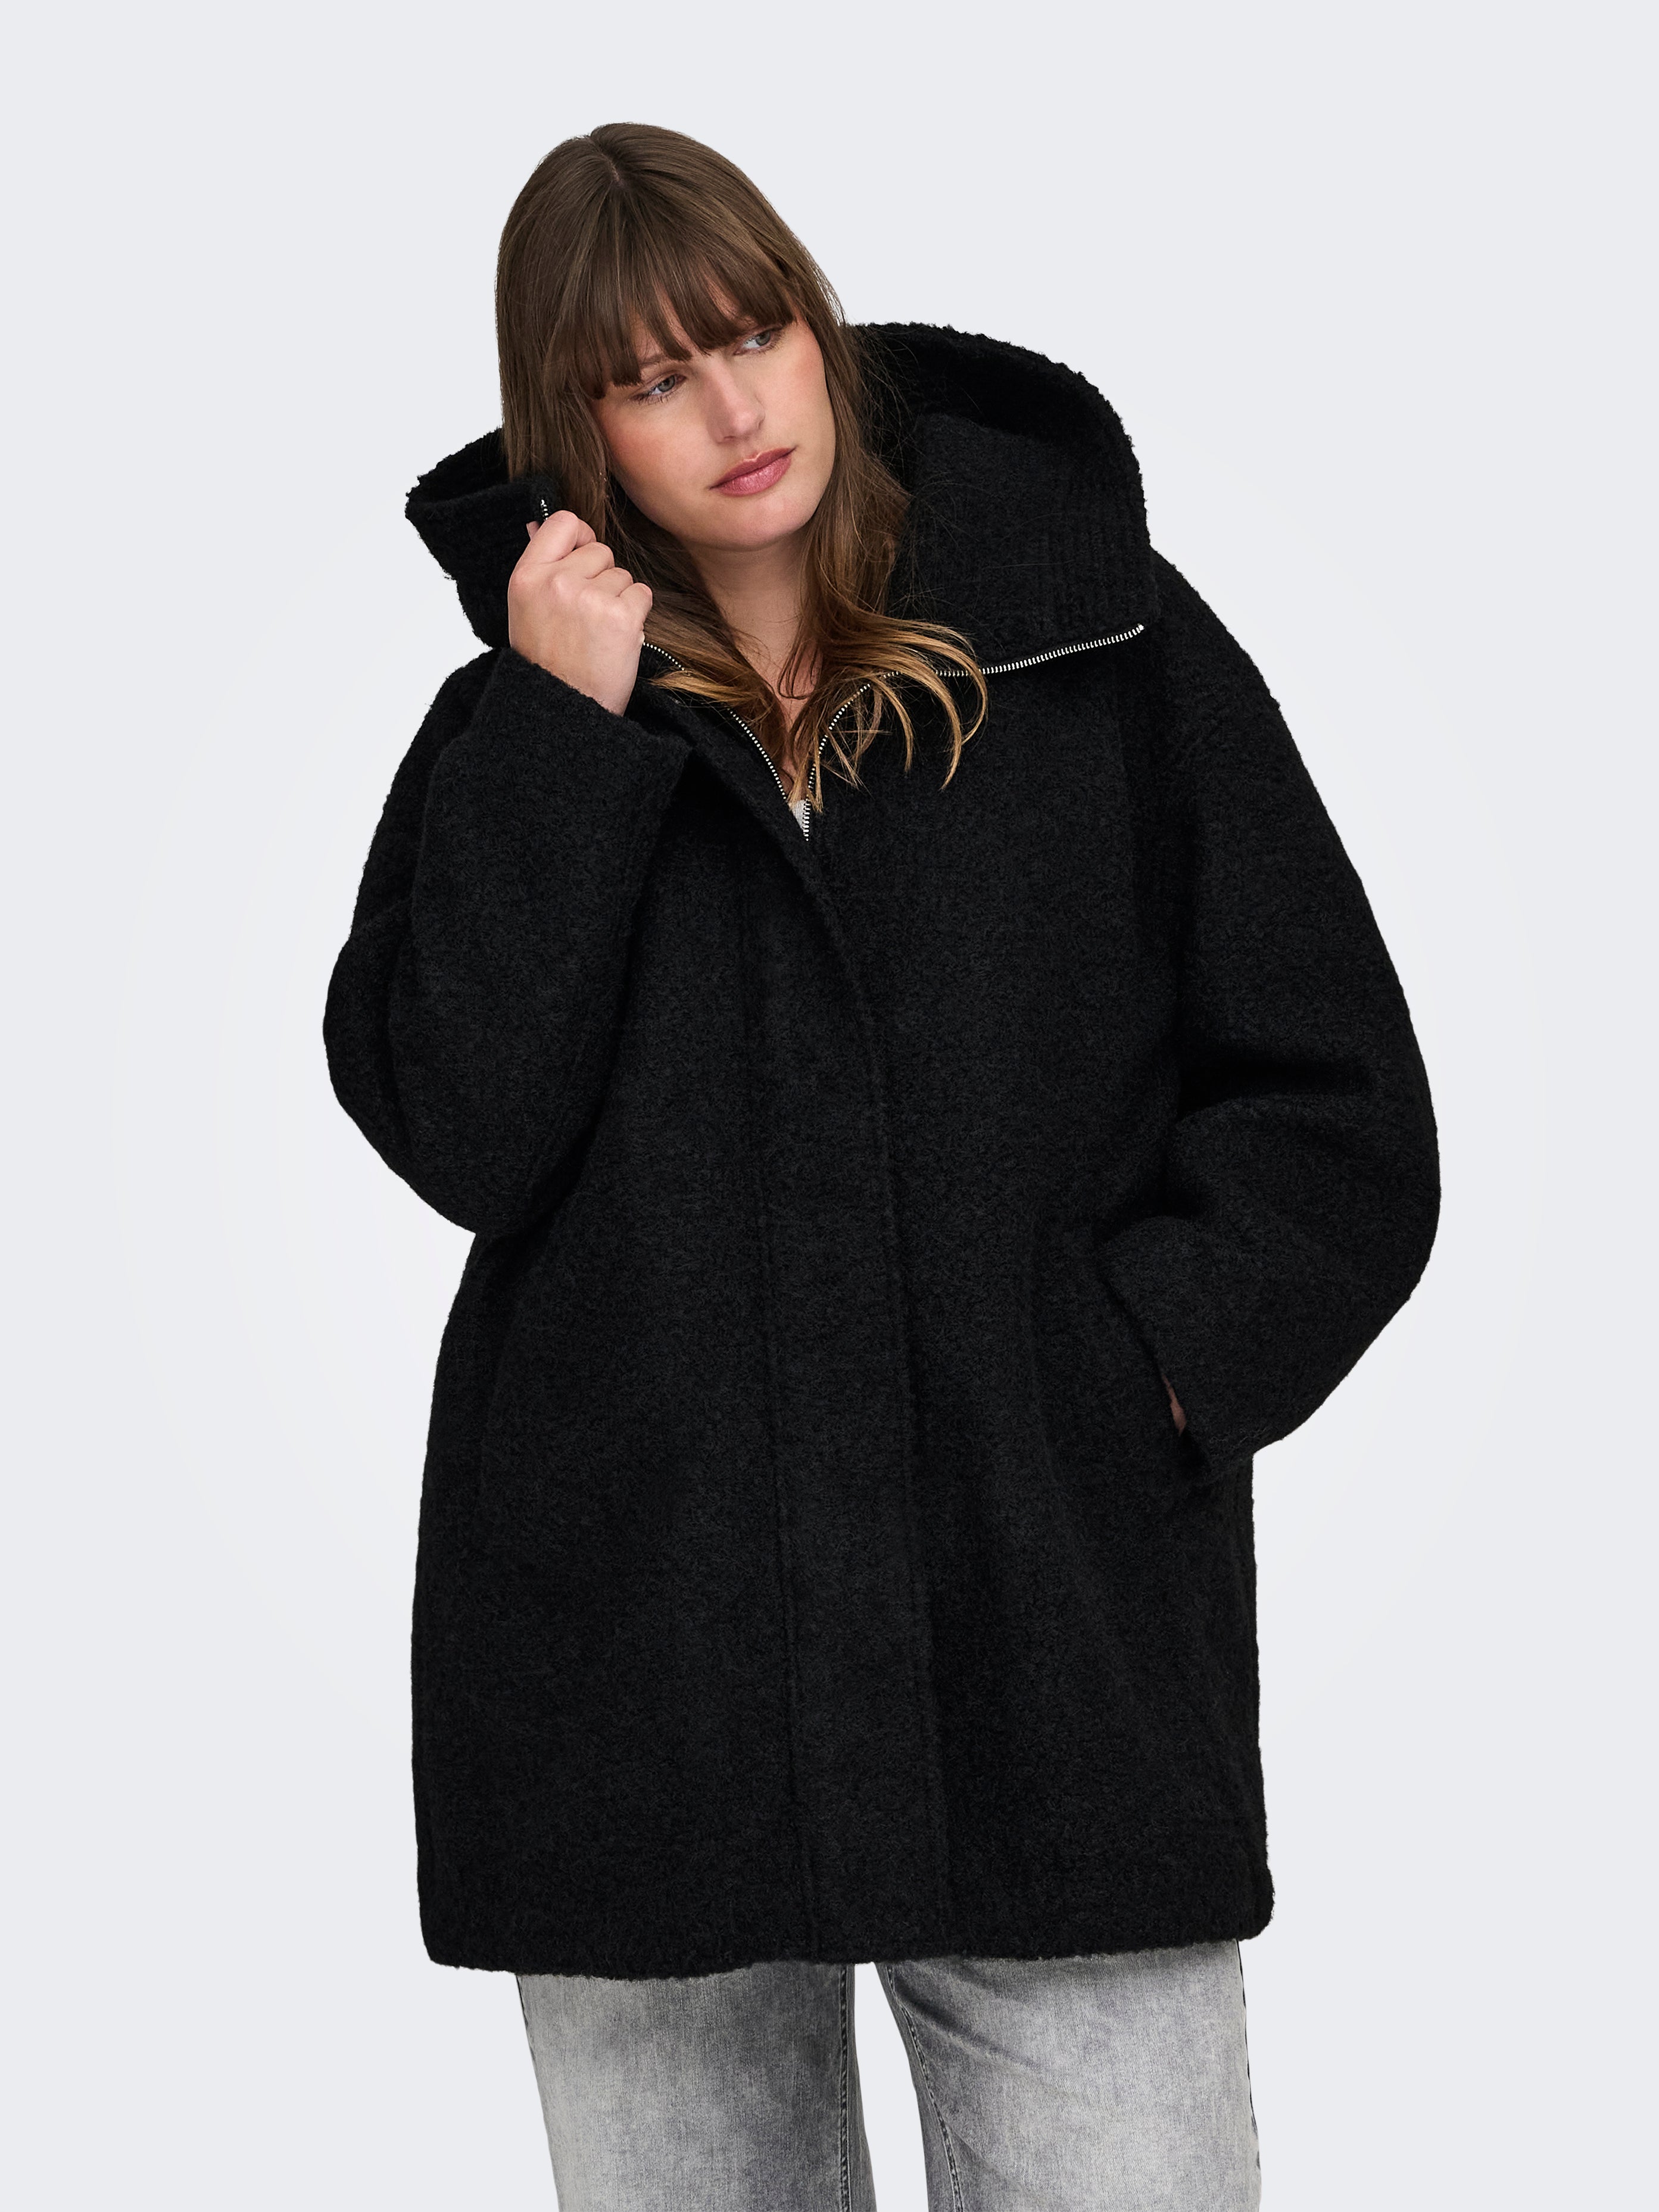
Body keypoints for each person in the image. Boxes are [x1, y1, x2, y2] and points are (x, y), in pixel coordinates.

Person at [324, 122, 1439, 2210]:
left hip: (1053, 1629)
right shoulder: (519, 729)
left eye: (752, 335)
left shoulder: (1093, 640)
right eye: (653, 378)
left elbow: (1333, 1105)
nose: (733, 410)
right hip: (638, 1665)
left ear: (818, 332)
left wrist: (1136, 1373)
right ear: (575, 429)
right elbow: (457, 1129)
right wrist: (562, 742)